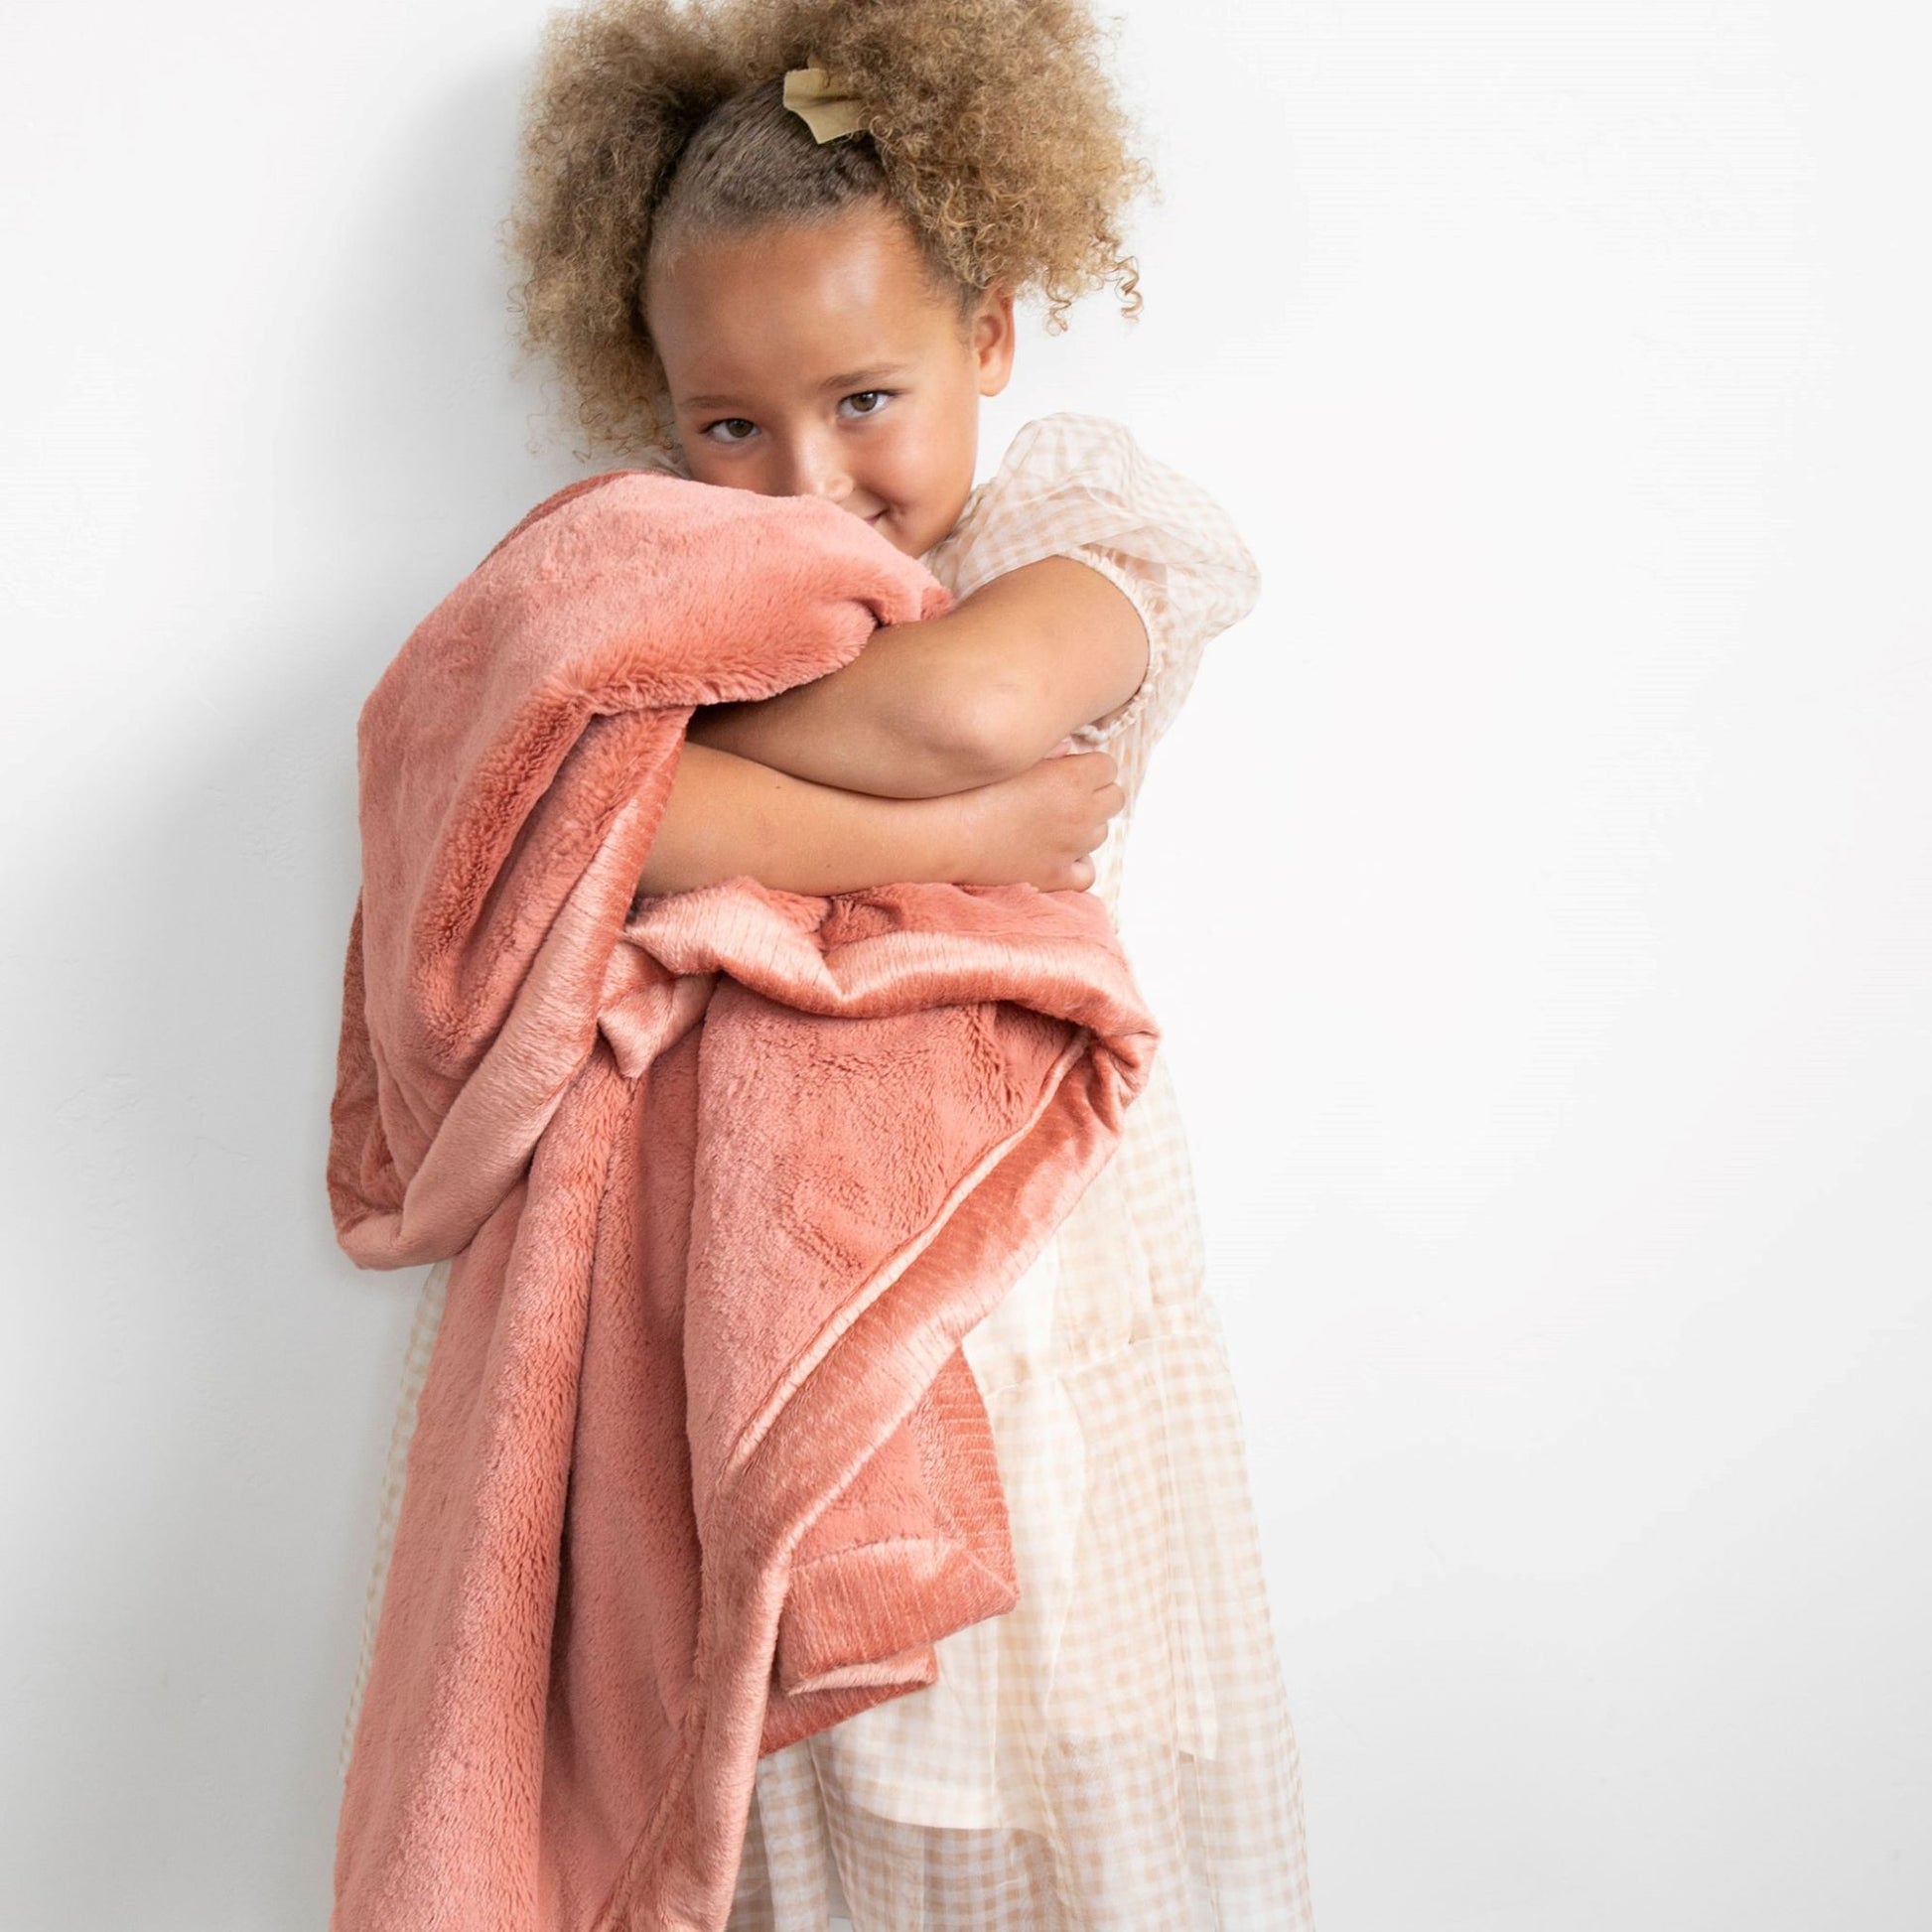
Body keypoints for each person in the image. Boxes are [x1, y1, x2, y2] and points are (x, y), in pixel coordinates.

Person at [342, 0, 1317, 1923]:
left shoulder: (1085, 528)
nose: (802, 488)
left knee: (1037, 1807)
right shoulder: (644, 575)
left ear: (990, 334)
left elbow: (963, 702)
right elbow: (675, 814)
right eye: (731, 424)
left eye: (866, 399)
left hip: (1002, 1283)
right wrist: (946, 843)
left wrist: (644, 753)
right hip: (716, 1302)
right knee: (768, 1822)